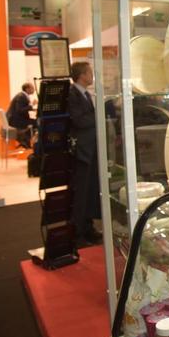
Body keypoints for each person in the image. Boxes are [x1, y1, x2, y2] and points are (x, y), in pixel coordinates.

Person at [68, 61, 102, 246]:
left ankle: (88, 227)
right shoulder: (72, 95)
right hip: (82, 151)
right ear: (82, 75)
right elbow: (79, 120)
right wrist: (98, 115)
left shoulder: (85, 94)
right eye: (89, 72)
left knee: (90, 190)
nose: (92, 76)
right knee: (81, 193)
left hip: (91, 149)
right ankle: (78, 233)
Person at [6, 82, 36, 148]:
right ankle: (24, 139)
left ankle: (25, 139)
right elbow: (20, 110)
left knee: (35, 122)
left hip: (16, 119)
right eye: (32, 88)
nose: (34, 89)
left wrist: (31, 107)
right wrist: (31, 106)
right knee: (38, 122)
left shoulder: (22, 95)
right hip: (16, 121)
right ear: (27, 89)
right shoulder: (21, 96)